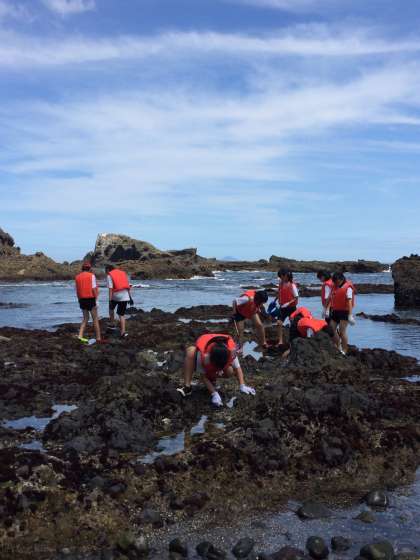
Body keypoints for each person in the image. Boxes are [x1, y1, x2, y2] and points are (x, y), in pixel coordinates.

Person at [177, 333, 256, 406]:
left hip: (217, 363)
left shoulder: (230, 352)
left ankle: (212, 379)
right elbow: (203, 376)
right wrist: (214, 393)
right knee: (191, 351)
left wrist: (242, 385)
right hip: (204, 362)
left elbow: (238, 368)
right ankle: (187, 387)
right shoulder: (204, 356)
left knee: (230, 371)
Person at [74, 262, 103, 343]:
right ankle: (98, 338)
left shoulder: (77, 277)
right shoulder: (91, 275)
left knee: (85, 318)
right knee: (95, 319)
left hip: (82, 299)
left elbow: (77, 291)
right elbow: (93, 288)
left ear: (82, 268)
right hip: (90, 299)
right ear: (89, 268)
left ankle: (80, 336)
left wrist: (79, 300)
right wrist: (96, 300)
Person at [329, 272, 356, 355]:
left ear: (341, 279)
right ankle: (338, 346)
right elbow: (330, 298)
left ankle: (344, 350)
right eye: (334, 282)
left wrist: (350, 315)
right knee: (331, 329)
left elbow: (349, 301)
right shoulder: (334, 287)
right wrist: (326, 309)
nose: (335, 283)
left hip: (345, 311)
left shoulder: (348, 288)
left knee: (342, 331)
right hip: (335, 311)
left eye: (337, 281)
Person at [105, 264, 133, 338]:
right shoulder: (122, 273)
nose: (106, 273)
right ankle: (123, 332)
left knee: (111, 309)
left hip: (116, 296)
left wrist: (110, 301)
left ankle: (112, 324)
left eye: (106, 271)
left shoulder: (109, 275)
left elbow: (110, 289)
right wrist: (130, 298)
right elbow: (127, 286)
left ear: (108, 270)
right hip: (125, 296)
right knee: (121, 315)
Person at [273, 269, 299, 345]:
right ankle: (280, 341)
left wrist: (288, 303)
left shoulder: (292, 285)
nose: (280, 278)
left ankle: (293, 340)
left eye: (281, 276)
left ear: (286, 276)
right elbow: (279, 293)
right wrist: (275, 300)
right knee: (279, 323)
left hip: (291, 308)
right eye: (280, 277)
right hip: (282, 308)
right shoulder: (281, 284)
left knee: (293, 324)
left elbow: (296, 297)